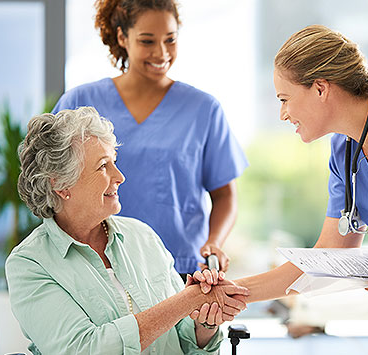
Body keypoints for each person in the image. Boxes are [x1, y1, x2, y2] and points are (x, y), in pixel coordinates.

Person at [197, 24, 368, 315]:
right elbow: (328, 254)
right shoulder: (345, 152)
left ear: (320, 88)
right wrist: (230, 292)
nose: (283, 114)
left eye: (284, 99)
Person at [5, 107, 249, 354]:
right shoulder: (29, 264)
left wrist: (203, 322)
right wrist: (187, 300)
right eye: (102, 166)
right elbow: (84, 349)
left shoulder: (142, 236)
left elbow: (184, 340)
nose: (119, 176)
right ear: (60, 184)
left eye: (115, 162)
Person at [52, 0, 248, 279]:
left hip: (180, 269)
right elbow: (53, 184)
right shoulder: (80, 102)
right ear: (123, 37)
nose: (161, 53)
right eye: (147, 41)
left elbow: (225, 194)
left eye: (170, 40)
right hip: (97, 268)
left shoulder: (203, 109)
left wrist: (214, 242)